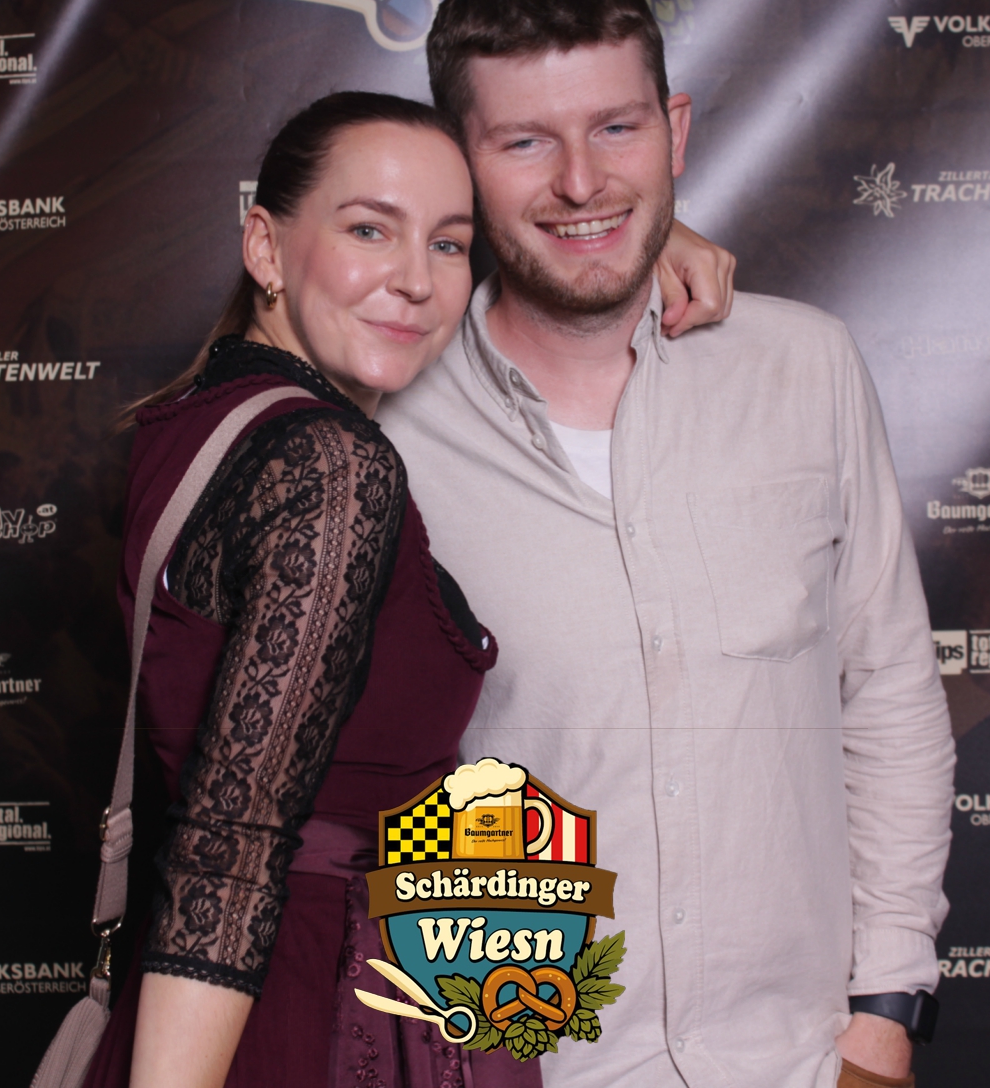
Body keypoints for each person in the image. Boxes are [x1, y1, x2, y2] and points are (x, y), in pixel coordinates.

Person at [376, 0, 956, 1088]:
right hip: (520, 1063)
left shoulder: (806, 367)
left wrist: (886, 1014)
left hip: (798, 1061)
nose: (581, 180)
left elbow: (888, 696)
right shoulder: (379, 427)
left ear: (675, 132)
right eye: (525, 142)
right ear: (458, 164)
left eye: (617, 129)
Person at [85, 92, 732, 1088]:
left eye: (448, 244)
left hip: (265, 991)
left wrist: (640, 244)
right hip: (326, 1014)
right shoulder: (332, 465)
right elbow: (232, 843)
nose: (417, 280)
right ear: (264, 246)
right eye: (368, 230)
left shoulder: (197, 423)